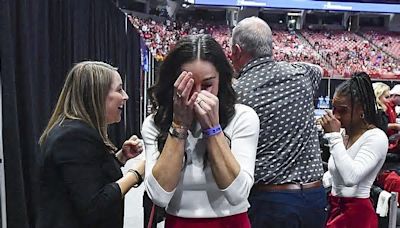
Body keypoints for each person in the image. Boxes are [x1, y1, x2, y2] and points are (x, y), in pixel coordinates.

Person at [142, 34, 260, 228]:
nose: (197, 95)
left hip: (230, 222)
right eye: (187, 85)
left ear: (221, 81)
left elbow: (238, 194)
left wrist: (213, 129)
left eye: (207, 85)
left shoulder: (243, 118)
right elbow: (159, 197)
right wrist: (179, 125)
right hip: (179, 222)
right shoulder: (155, 124)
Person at [231, 16, 327, 228]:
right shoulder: (303, 75)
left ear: (237, 51)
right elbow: (319, 69)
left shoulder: (236, 93)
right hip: (314, 196)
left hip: (270, 201)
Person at [37, 61, 145, 228]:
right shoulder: (74, 136)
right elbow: (95, 205)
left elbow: (86, 177)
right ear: (97, 95)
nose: (125, 96)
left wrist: (120, 158)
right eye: (119, 89)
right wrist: (136, 174)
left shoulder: (75, 130)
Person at [320, 72, 388, 228]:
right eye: (334, 109)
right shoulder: (344, 134)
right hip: (335, 208)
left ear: (361, 109)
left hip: (357, 215)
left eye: (342, 110)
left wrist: (333, 137)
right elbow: (334, 174)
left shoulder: (376, 137)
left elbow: (351, 178)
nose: (335, 116)